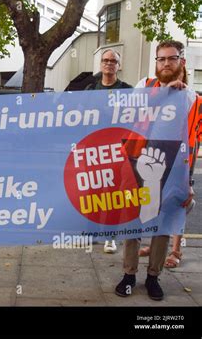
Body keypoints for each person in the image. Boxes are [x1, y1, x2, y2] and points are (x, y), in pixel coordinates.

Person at [115, 40, 199, 301]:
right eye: (160, 59)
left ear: (181, 62)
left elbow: (193, 143)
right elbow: (129, 113)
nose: (165, 64)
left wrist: (189, 180)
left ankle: (153, 277)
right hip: (138, 162)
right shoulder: (145, 86)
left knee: (163, 224)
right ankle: (129, 274)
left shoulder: (192, 99)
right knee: (134, 220)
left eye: (171, 59)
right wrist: (164, 93)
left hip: (173, 168)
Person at [138, 66, 199, 268]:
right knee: (159, 204)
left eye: (180, 76)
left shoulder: (192, 100)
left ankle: (176, 250)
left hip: (182, 158)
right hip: (158, 156)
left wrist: (188, 179)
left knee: (178, 204)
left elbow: (195, 137)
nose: (177, 82)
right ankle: (156, 246)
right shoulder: (156, 94)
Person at [85, 48, 132, 253]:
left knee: (112, 195)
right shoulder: (90, 90)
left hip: (116, 149)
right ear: (100, 64)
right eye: (105, 60)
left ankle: (110, 237)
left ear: (118, 65)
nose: (109, 63)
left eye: (113, 61)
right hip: (94, 149)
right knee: (92, 192)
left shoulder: (128, 90)